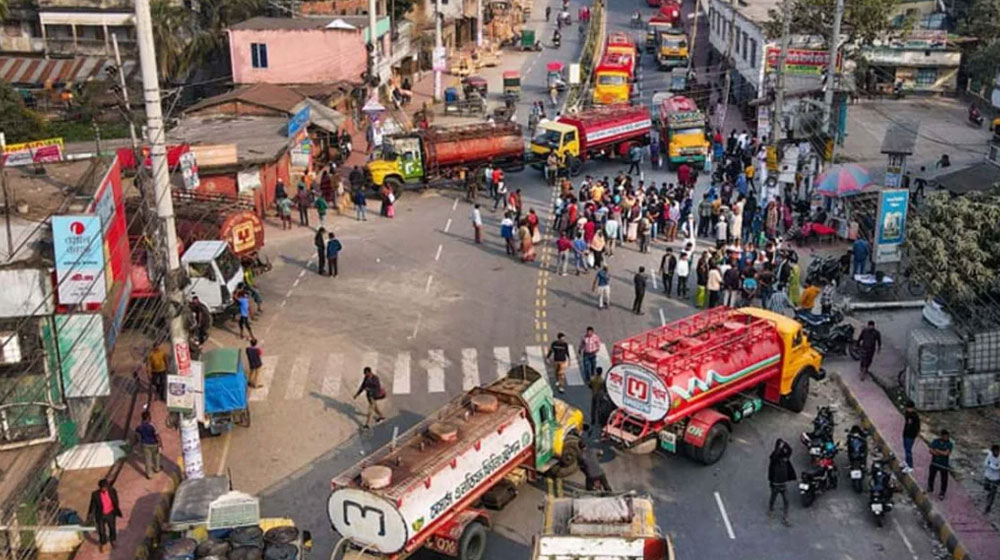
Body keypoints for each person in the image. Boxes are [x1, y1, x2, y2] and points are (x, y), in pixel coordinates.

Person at [767, 439, 795, 526]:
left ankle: (785, 517)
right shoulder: (774, 459)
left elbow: (790, 450)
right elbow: (775, 454)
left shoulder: (785, 459)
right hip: (775, 484)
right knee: (773, 498)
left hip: (783, 484)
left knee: (786, 501)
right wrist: (779, 447)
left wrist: (785, 444)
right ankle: (771, 509)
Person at [88, 479, 122, 552]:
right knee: (101, 530)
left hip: (110, 513)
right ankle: (103, 543)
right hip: (100, 515)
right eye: (103, 487)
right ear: (100, 487)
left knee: (112, 528)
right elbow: (92, 505)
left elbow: (116, 500)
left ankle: (113, 540)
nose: (104, 489)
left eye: (105, 487)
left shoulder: (112, 491)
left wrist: (115, 510)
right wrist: (90, 514)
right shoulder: (95, 494)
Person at [134, 411, 161, 479]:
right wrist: (160, 444)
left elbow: (137, 434)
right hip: (154, 444)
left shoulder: (139, 426)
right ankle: (157, 468)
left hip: (145, 444)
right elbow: (157, 435)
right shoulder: (152, 426)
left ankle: (149, 474)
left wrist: (137, 442)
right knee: (156, 456)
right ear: (148, 418)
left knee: (147, 459)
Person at [928, 430, 953, 499]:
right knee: (931, 476)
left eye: (947, 436)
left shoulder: (949, 444)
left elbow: (946, 453)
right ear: (941, 436)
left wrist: (937, 450)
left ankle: (942, 492)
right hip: (934, 463)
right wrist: (938, 452)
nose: (946, 438)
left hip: (944, 465)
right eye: (945, 436)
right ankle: (930, 487)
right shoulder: (935, 441)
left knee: (944, 480)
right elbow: (931, 450)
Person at [902, 399, 920, 472]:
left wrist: (915, 435)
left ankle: (910, 466)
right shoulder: (907, 414)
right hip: (905, 433)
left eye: (908, 408)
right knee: (906, 449)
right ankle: (906, 462)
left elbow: (917, 427)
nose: (906, 409)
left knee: (908, 450)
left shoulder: (914, 416)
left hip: (910, 436)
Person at [984, 444, 1000, 513]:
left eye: (998, 451)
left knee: (993, 492)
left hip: (996, 478)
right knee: (986, 487)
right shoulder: (989, 455)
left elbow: (998, 468)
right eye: (995, 451)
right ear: (992, 451)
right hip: (988, 475)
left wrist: (990, 464)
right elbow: (985, 464)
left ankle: (988, 506)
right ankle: (990, 493)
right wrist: (992, 465)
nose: (996, 452)